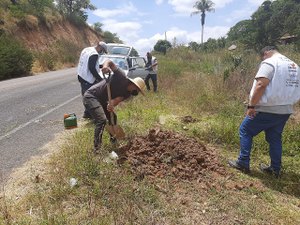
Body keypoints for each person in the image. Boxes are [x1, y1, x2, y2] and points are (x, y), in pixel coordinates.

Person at [228, 46, 300, 178]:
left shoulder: (270, 62)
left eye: (262, 57)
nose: (262, 59)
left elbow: (261, 85)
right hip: (285, 110)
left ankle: (243, 162)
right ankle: (275, 169)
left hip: (267, 109)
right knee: (274, 138)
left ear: (266, 53)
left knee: (245, 130)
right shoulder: (294, 65)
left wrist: (251, 106)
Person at [83, 59, 146, 153]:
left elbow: (116, 100)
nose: (136, 92)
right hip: (91, 96)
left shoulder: (127, 94)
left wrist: (111, 105)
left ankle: (114, 140)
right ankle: (97, 149)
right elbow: (109, 62)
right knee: (102, 120)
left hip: (102, 101)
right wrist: (105, 67)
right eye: (137, 89)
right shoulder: (121, 77)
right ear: (133, 84)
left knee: (113, 117)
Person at [77, 41, 107, 119]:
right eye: (102, 50)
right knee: (89, 97)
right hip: (87, 78)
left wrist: (101, 66)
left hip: (81, 75)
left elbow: (89, 63)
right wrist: (101, 80)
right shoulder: (94, 54)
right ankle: (91, 115)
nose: (102, 52)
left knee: (85, 95)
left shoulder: (87, 49)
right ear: (100, 47)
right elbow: (91, 68)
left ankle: (87, 114)